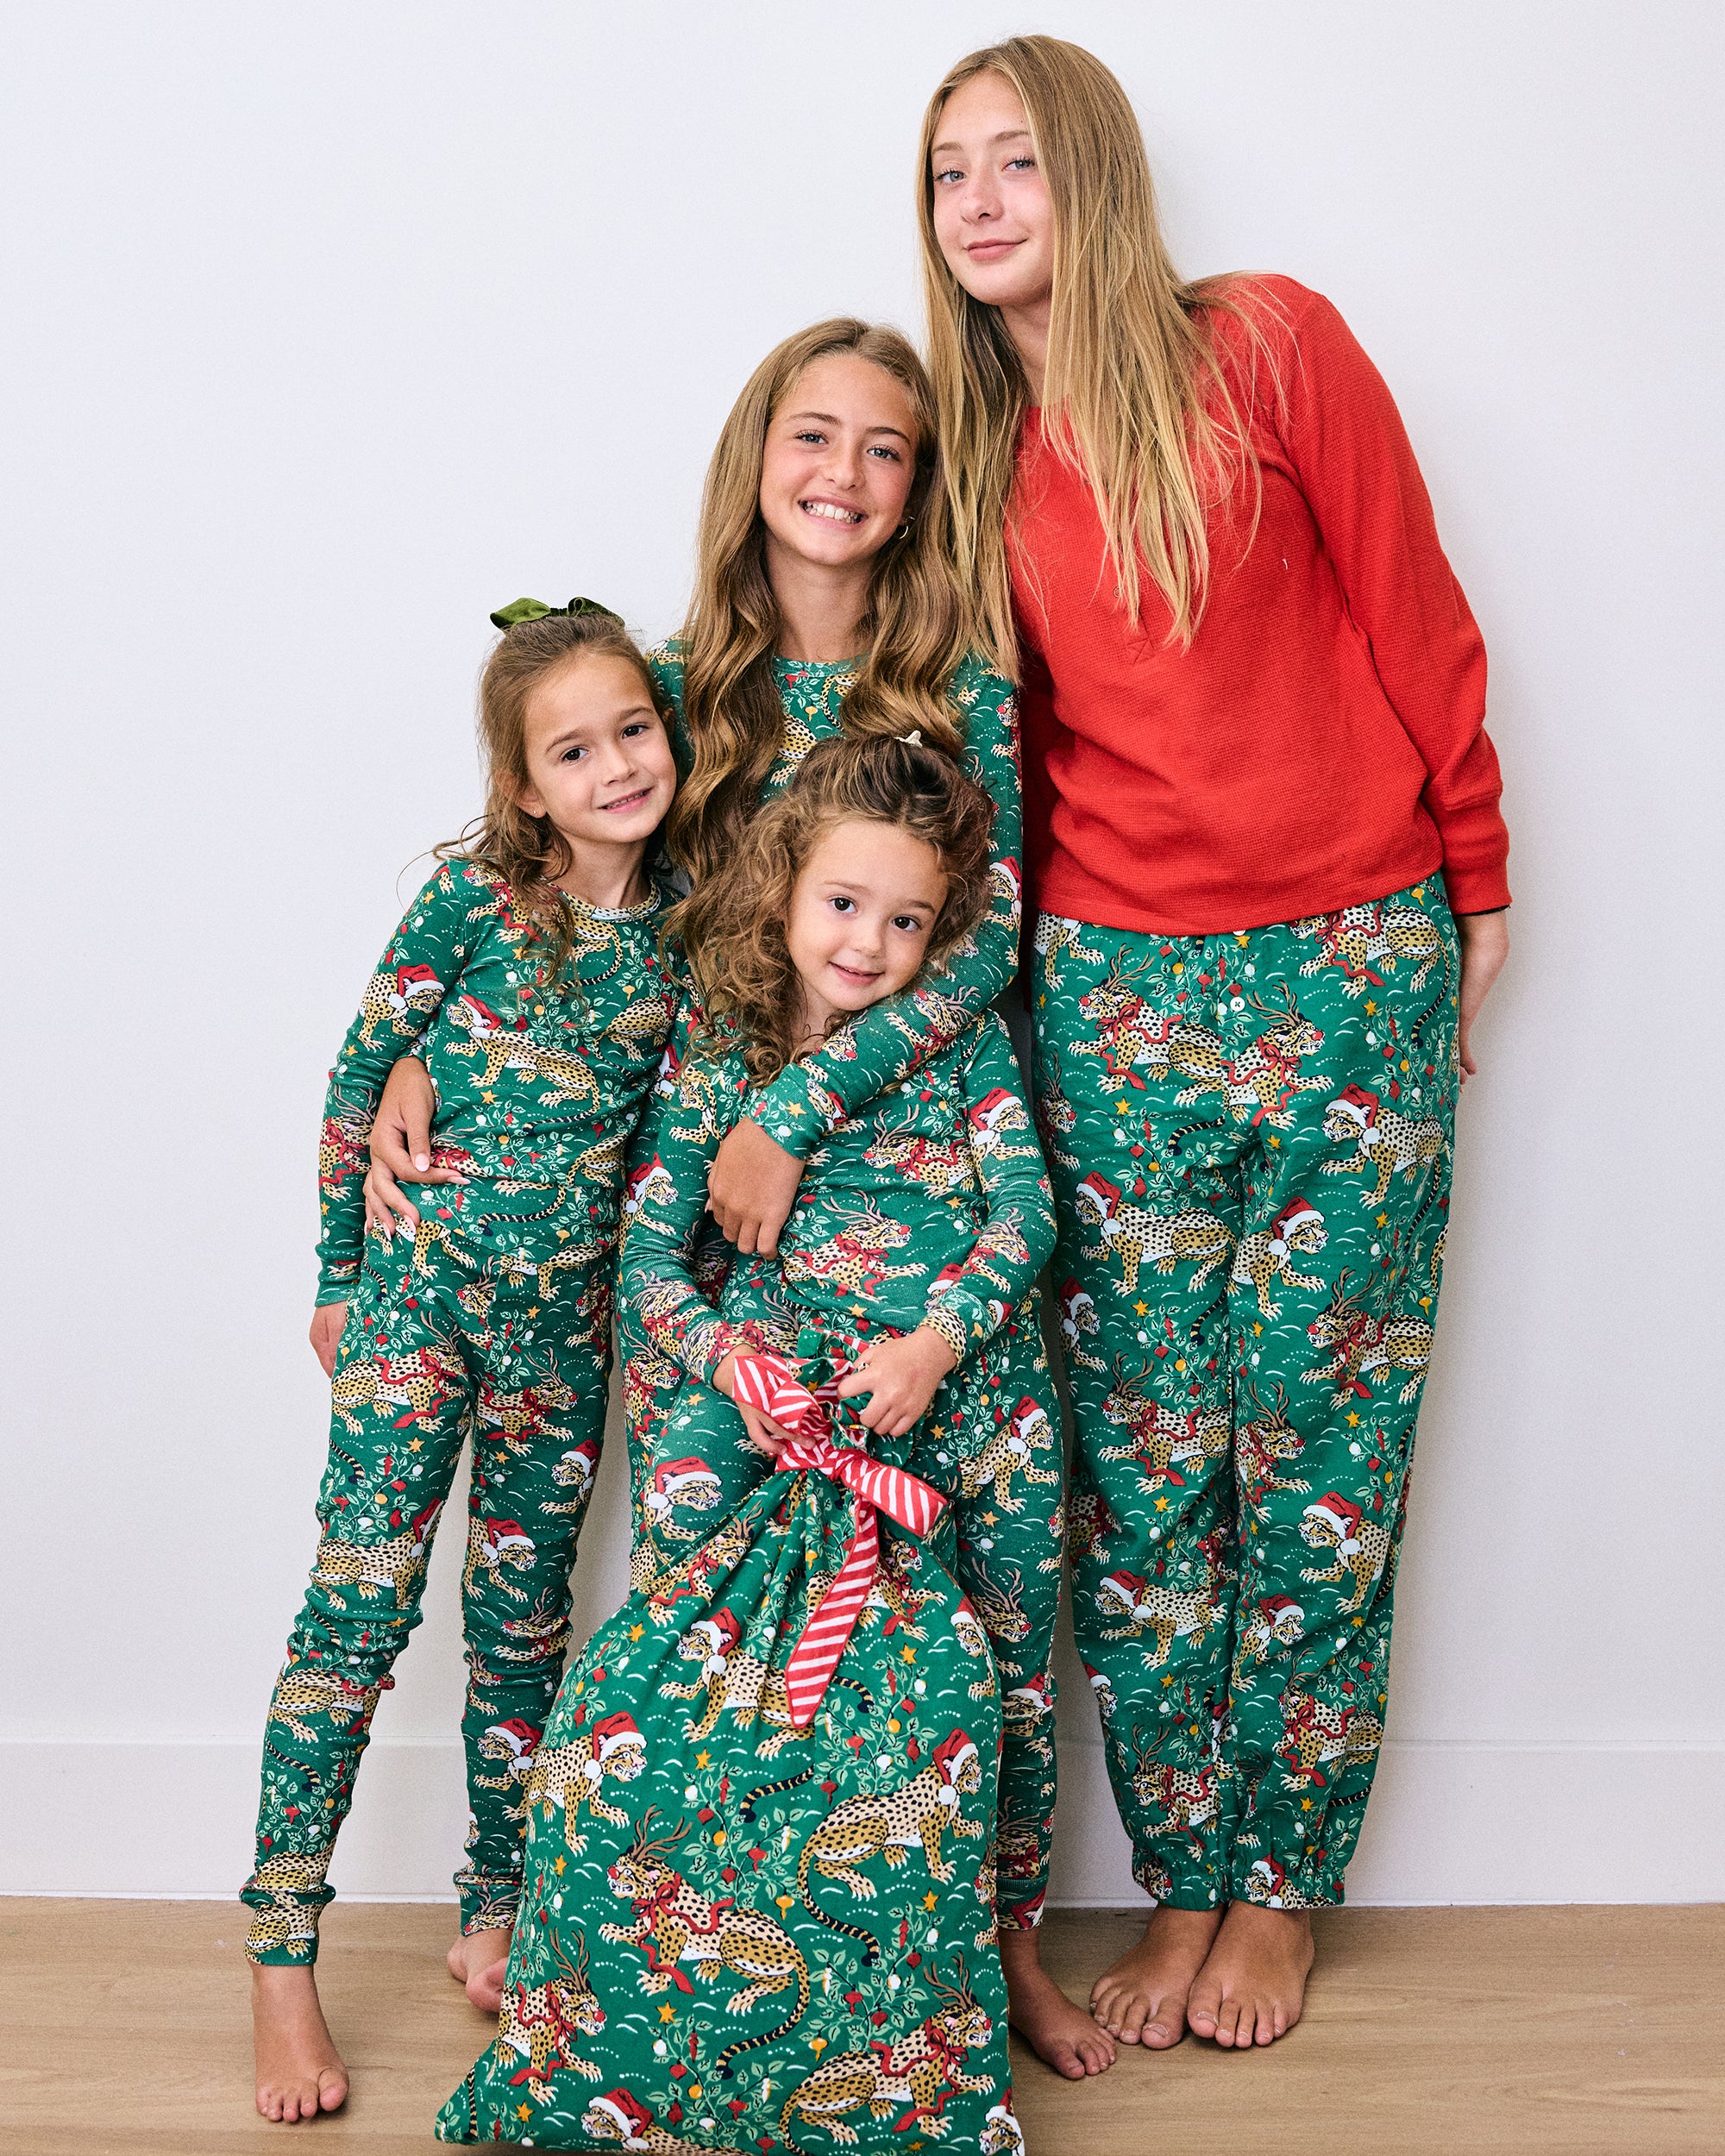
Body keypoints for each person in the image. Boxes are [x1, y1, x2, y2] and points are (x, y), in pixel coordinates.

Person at [365, 320, 1110, 2076]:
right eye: (811, 434)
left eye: (885, 446)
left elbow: (988, 939)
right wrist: (422, 1042)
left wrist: (799, 1107)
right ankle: (661, 1940)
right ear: (754, 455)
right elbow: (554, 849)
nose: (842, 475)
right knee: (699, 1628)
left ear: (919, 486)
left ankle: (986, 1947)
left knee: (991, 1634)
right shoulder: (682, 681)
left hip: (907, 1197)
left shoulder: (959, 681)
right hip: (716, 1235)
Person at [917, 34, 1512, 2053]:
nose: (979, 200)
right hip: (1111, 990)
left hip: (1351, 956)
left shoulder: (1268, 344)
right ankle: (1183, 1874)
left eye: (1015, 159)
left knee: (1323, 1455)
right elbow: (966, 744)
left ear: (1091, 173)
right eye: (947, 172)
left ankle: (1280, 1888)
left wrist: (1473, 873)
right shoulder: (976, 454)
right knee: (1149, 1478)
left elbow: (1414, 610)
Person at [437, 731, 1032, 2148]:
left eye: (906, 921)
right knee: (702, 1683)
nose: (869, 945)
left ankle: (997, 1974)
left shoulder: (959, 1042)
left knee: (998, 1669)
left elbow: (1028, 1215)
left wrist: (937, 1344)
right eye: (844, 904)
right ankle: (697, 1988)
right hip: (761, 1404)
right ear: (785, 887)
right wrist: (731, 1365)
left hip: (939, 1392)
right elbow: (649, 1258)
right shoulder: (723, 1046)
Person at [246, 600, 684, 2124]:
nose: (615, 766)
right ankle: (281, 1959)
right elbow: (359, 1070)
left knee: (521, 1633)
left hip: (564, 1346)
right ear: (524, 786)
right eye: (574, 750)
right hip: (416, 1317)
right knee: (355, 1618)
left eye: (634, 729)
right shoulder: (475, 900)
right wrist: (336, 1273)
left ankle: (494, 1908)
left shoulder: (690, 926)